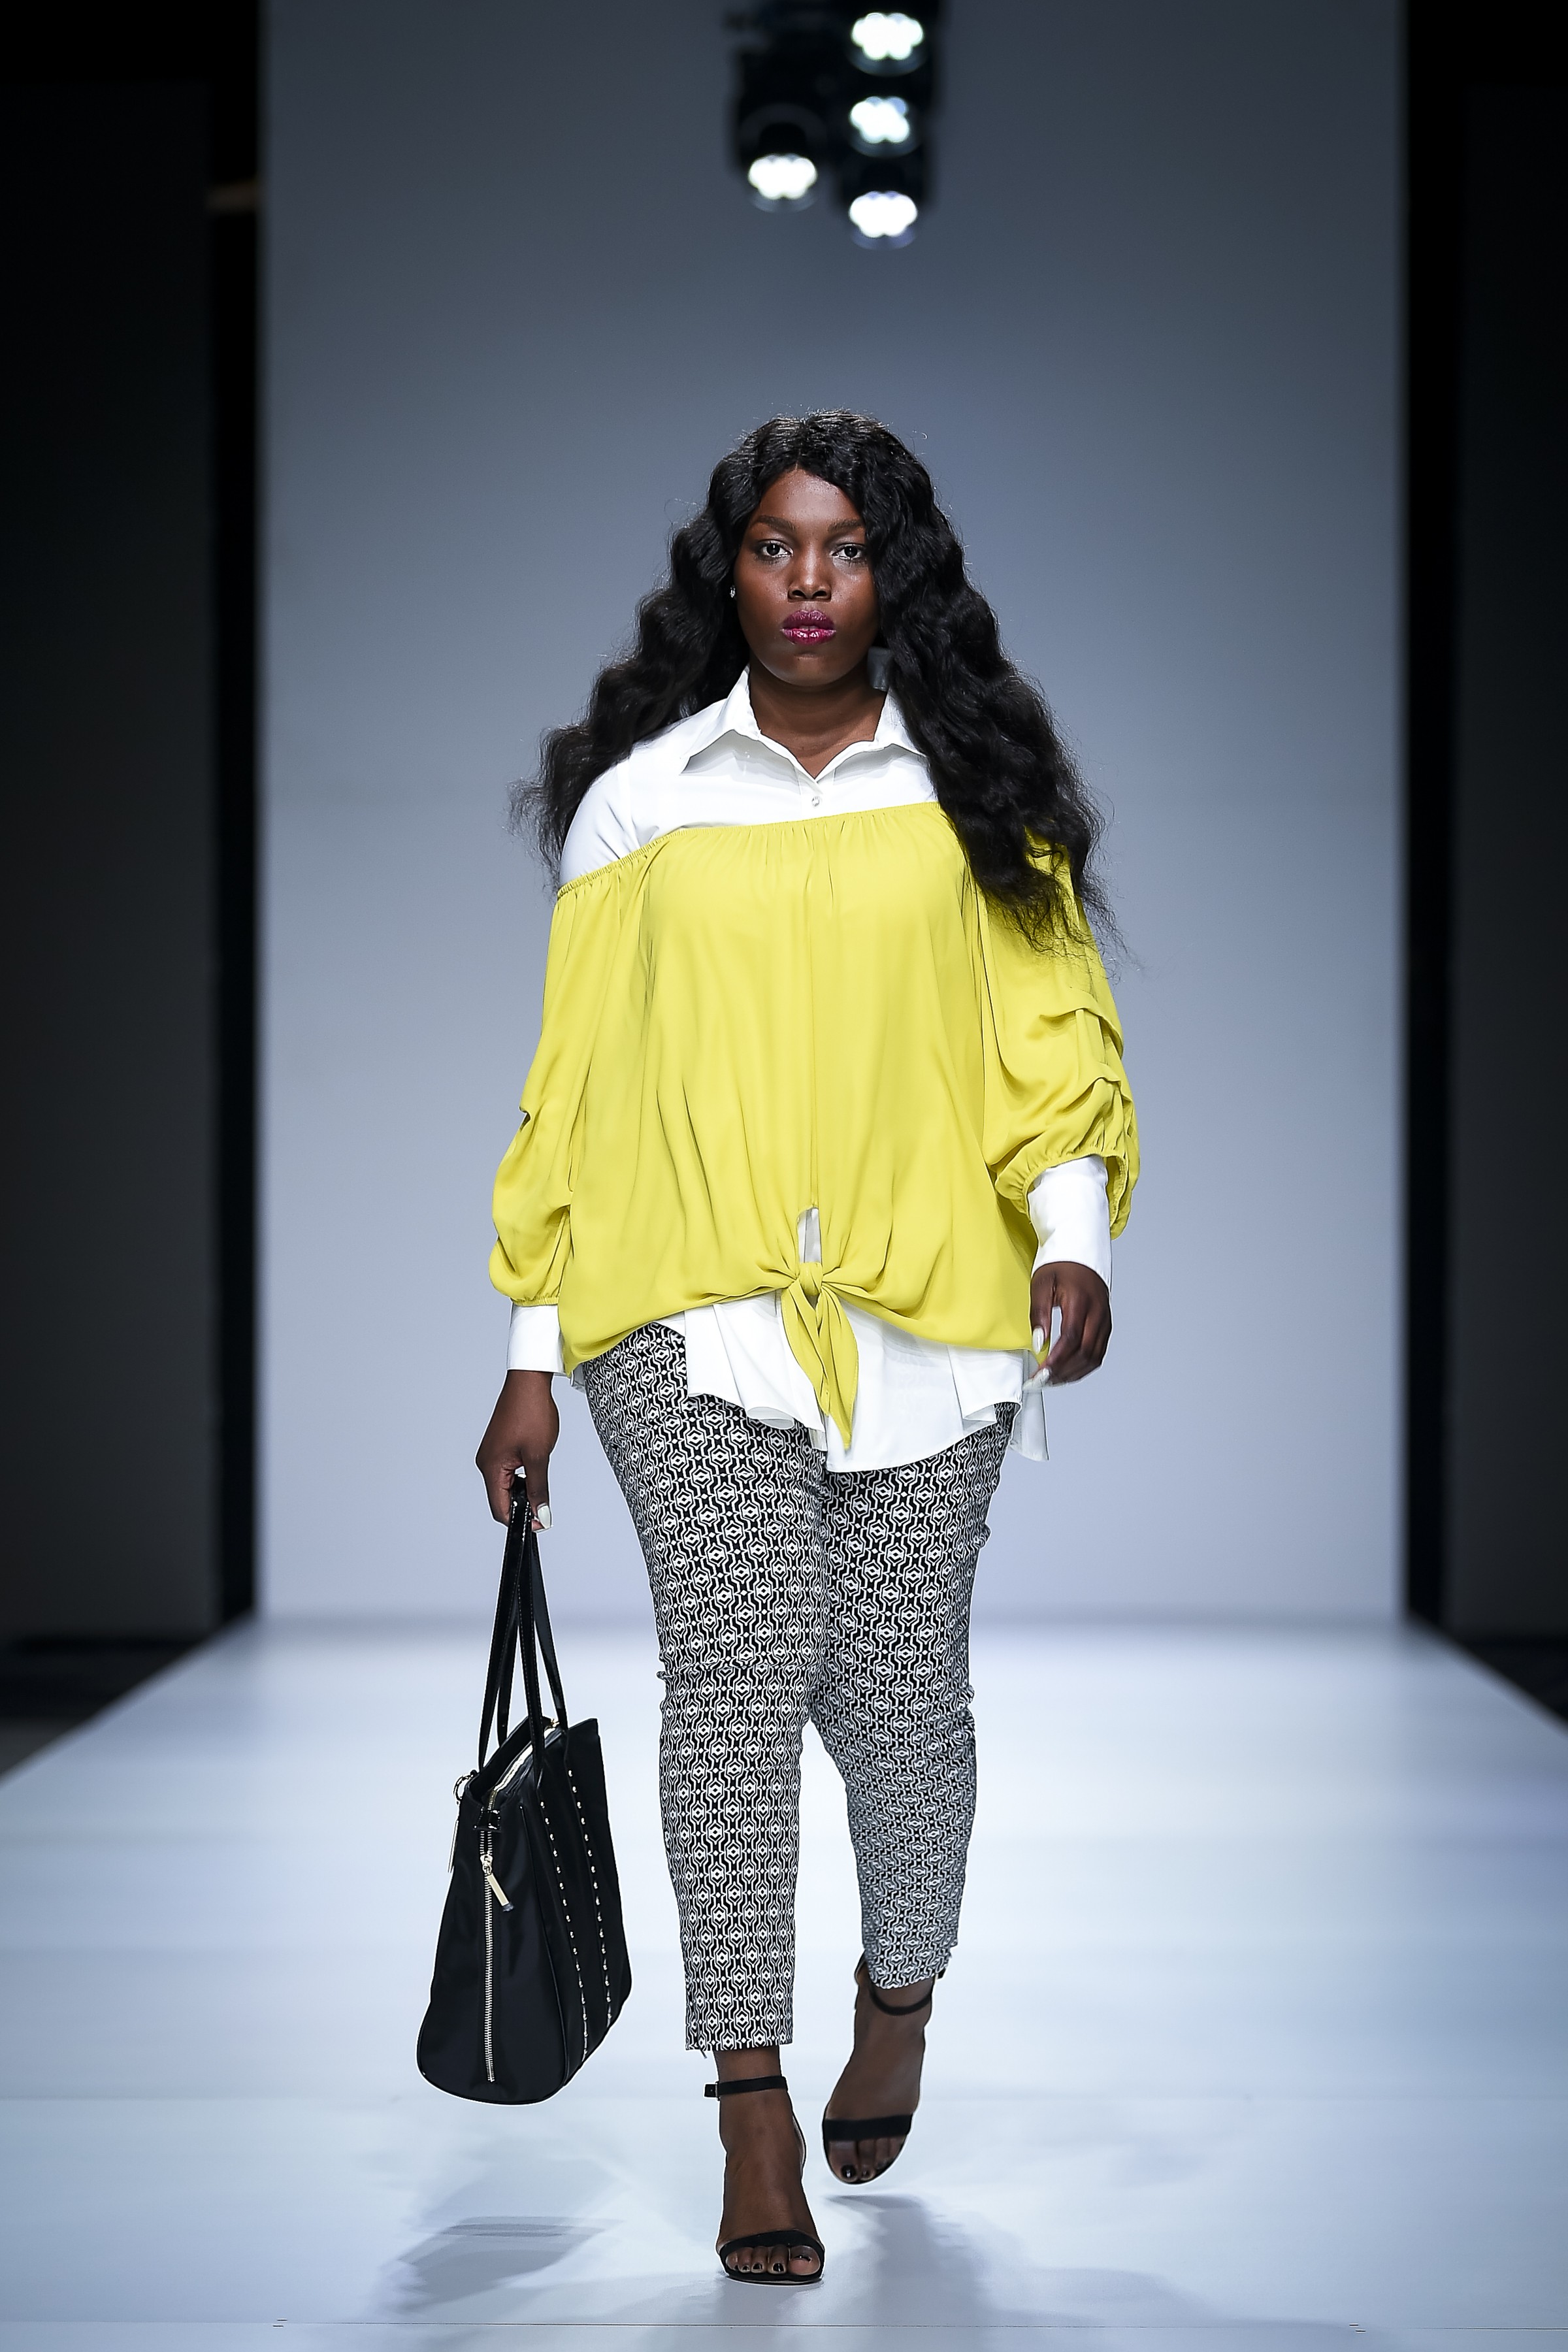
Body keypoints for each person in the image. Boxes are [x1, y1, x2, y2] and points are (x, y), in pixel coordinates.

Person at [476, 411, 1136, 2285]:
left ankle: (899, 1989)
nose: (811, 581)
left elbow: (1050, 1039)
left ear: (895, 573)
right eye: (776, 546)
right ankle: (749, 2103)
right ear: (731, 570)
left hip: (934, 1313)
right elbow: (579, 1093)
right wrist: (532, 1351)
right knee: (737, 1675)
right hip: (682, 1307)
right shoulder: (643, 802)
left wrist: (1073, 1240)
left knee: (902, 1704)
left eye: (846, 548)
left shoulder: (978, 794)